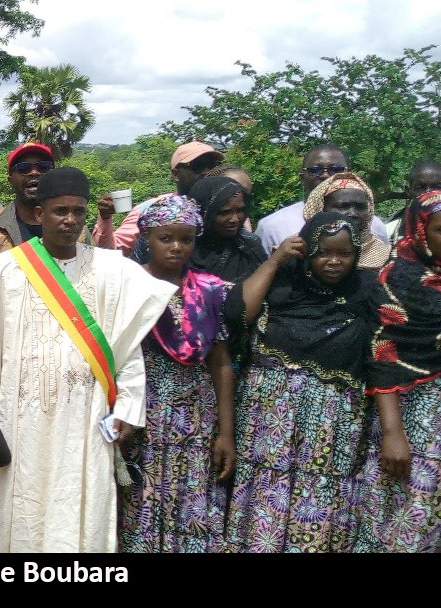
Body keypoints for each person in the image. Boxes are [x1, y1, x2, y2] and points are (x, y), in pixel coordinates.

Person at [0, 167, 176, 553]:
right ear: (39, 214)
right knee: (12, 508)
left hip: (85, 415)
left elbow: (126, 348)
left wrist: (127, 407)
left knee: (81, 504)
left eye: (78, 211)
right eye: (60, 211)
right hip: (16, 417)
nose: (70, 220)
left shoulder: (113, 270)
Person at [223, 212, 378, 553]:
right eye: (323, 252)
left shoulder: (366, 290)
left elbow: (381, 355)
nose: (334, 262)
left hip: (331, 424)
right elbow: (239, 313)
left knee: (318, 500)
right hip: (271, 418)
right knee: (267, 494)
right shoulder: (283, 282)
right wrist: (275, 260)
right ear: (306, 249)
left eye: (345, 254)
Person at [117, 195, 236, 553]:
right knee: (141, 499)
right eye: (165, 238)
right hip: (143, 411)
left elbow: (221, 362)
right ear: (146, 239)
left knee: (192, 497)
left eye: (186, 239)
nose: (176, 247)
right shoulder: (128, 284)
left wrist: (226, 431)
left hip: (195, 416)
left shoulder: (211, 290)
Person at [353, 189, 441, 552]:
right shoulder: (394, 281)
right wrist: (393, 433)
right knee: (405, 524)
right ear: (419, 230)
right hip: (417, 419)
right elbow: (382, 355)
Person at [97, 141, 223, 257]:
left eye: (213, 166)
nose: (206, 172)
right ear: (176, 174)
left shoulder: (229, 208)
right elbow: (109, 254)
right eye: (198, 166)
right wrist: (105, 218)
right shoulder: (152, 209)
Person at [257, 144, 389, 253]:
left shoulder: (375, 226)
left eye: (336, 169)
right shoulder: (272, 226)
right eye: (315, 170)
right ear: (302, 178)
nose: (326, 175)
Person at [0, 142, 110, 255]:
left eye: (43, 167)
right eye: (23, 168)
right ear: (10, 180)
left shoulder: (76, 229)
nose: (34, 173)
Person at [185, 175, 267, 283]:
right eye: (224, 212)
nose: (235, 219)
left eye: (240, 210)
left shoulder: (250, 247)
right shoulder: (183, 249)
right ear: (203, 213)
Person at [302, 172, 390, 269]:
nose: (353, 213)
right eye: (343, 206)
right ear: (321, 208)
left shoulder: (385, 257)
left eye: (360, 207)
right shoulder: (300, 248)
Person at [385, 160, 441, 243]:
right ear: (409, 192)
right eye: (420, 187)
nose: (429, 193)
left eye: (437, 187)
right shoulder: (388, 234)